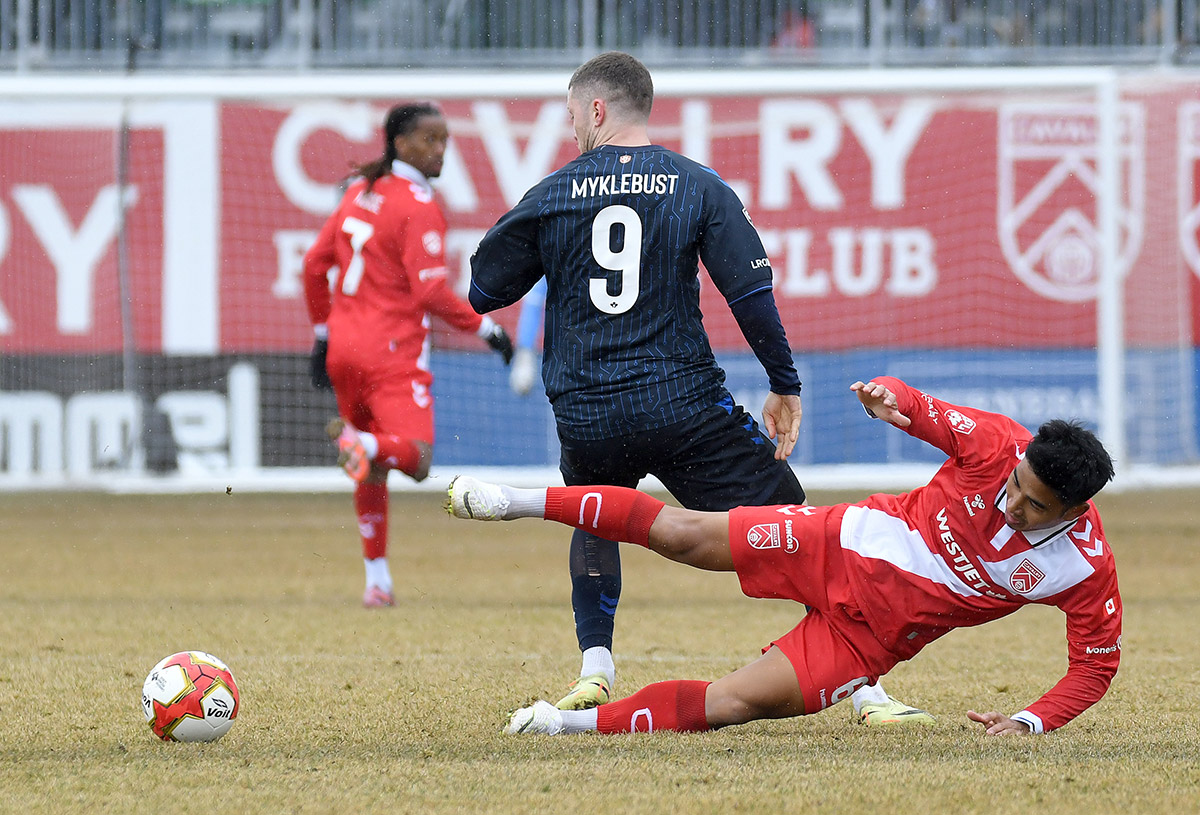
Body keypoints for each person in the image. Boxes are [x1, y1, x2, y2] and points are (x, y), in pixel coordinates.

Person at [467, 51, 922, 726]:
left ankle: (595, 669)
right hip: (680, 404)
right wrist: (784, 383)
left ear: (596, 111)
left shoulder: (553, 192)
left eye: (570, 116)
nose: (569, 130)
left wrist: (553, 254)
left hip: (587, 408)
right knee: (793, 520)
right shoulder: (696, 184)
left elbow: (483, 289)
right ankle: (863, 687)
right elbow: (750, 289)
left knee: (595, 514)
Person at [445, 375, 1121, 737]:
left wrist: (1031, 720)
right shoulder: (1000, 443)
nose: (1011, 503)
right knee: (683, 534)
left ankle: (559, 723)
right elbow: (925, 409)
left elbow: (1096, 665)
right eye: (1013, 485)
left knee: (732, 703)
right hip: (839, 541)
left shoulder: (1085, 568)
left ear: (1072, 509)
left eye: (1033, 504)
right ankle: (512, 499)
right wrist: (891, 399)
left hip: (866, 641)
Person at [304, 101, 514, 608]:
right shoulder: (419, 204)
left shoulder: (360, 191)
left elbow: (314, 266)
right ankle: (365, 444)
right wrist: (486, 329)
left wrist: (321, 335)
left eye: (444, 139)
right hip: (391, 351)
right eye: (429, 140)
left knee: (368, 468)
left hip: (345, 349)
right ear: (401, 144)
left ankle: (378, 581)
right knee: (415, 459)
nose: (440, 149)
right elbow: (429, 294)